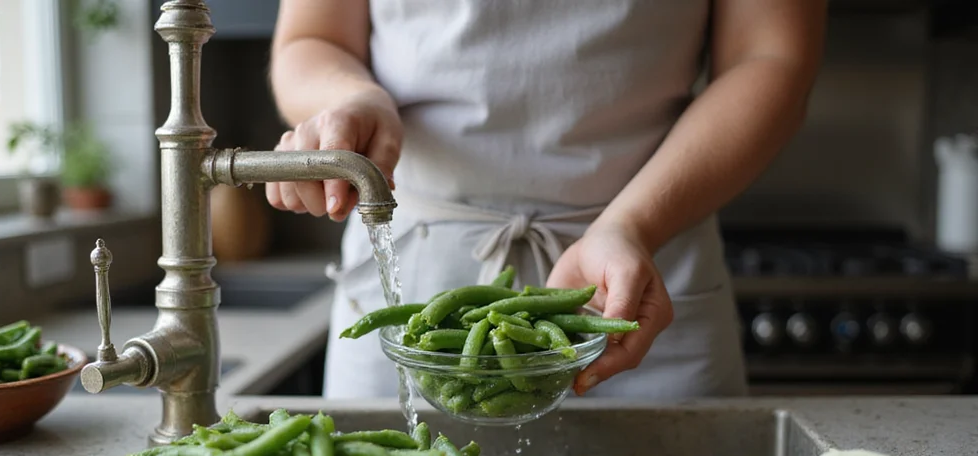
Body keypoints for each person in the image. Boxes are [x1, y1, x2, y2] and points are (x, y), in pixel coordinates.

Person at [266, 0, 827, 400]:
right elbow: (313, 39)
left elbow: (771, 55)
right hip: (411, 275)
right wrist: (352, 99)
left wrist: (632, 226)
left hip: (639, 282)